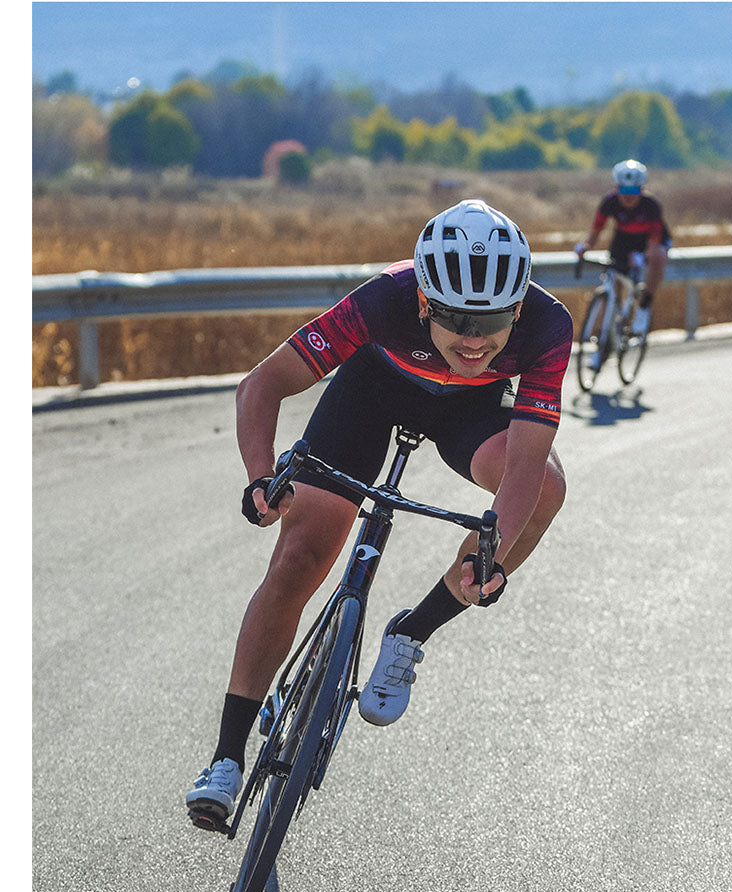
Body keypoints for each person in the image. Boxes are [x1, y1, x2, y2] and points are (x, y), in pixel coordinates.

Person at [185, 199, 573, 830]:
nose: (475, 340)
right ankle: (226, 759)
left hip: (470, 414)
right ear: (424, 301)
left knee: (547, 487)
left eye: (493, 321)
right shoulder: (384, 299)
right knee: (299, 559)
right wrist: (260, 476)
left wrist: (491, 550)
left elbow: (525, 466)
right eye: (456, 319)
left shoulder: (548, 325)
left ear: (519, 308)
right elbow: (262, 384)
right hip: (372, 392)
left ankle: (413, 631)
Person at [573, 159, 672, 341]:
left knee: (657, 257)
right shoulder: (609, 202)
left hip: (649, 240)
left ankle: (644, 305)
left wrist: (646, 255)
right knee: (614, 281)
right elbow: (596, 230)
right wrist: (586, 246)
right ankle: (605, 331)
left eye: (634, 191)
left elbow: (655, 240)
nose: (628, 196)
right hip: (624, 238)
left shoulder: (651, 206)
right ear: (616, 188)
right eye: (624, 190)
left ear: (642, 189)